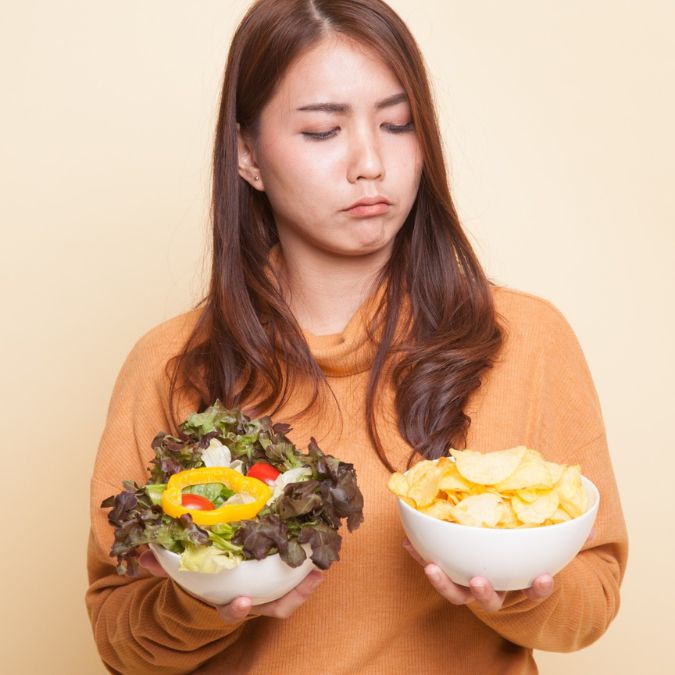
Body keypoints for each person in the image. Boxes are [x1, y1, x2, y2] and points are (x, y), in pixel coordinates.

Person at [85, 1, 628, 673]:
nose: (369, 162)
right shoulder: (170, 366)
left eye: (397, 124)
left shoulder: (525, 339)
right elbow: (119, 638)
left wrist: (515, 595)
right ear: (246, 154)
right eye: (321, 130)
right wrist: (205, 600)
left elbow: (594, 595)